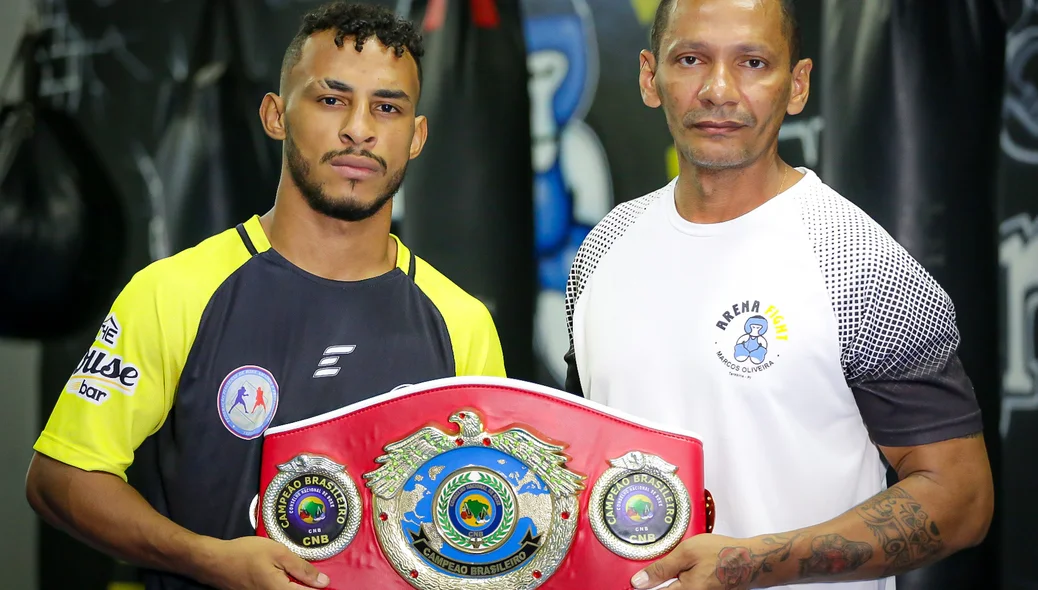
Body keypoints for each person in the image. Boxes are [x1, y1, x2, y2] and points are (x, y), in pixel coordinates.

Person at [25, 3, 505, 589]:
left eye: (387, 107)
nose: (360, 127)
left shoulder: (462, 323)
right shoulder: (175, 292)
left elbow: (482, 523)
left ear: (417, 136)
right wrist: (205, 558)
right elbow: (60, 477)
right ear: (276, 115)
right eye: (331, 100)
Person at [562, 1, 993, 589]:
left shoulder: (858, 264)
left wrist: (752, 563)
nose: (718, 89)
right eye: (691, 59)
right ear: (648, 77)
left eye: (753, 62)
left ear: (797, 86)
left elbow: (961, 499)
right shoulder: (602, 250)